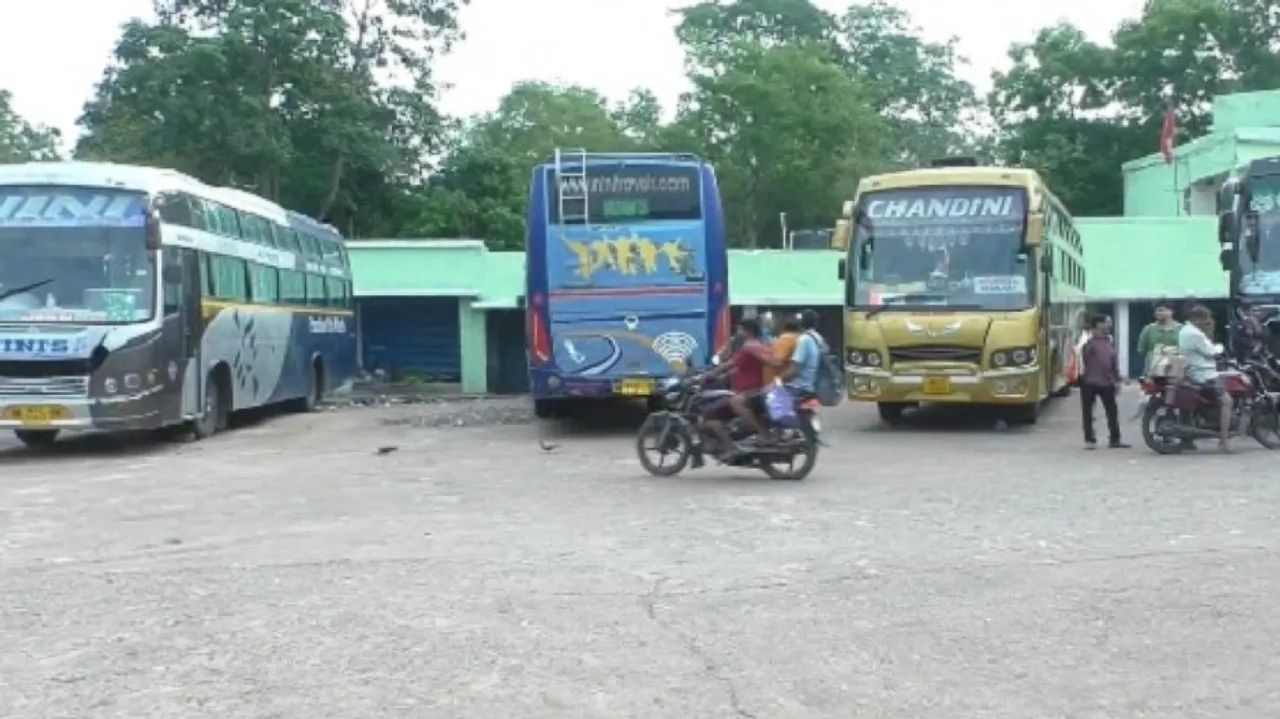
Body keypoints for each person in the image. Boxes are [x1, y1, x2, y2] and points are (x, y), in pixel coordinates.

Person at [703, 317, 774, 455]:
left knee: (727, 406)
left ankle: (756, 435)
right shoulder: (755, 344)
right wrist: (721, 376)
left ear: (748, 331)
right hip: (749, 389)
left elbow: (731, 363)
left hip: (749, 391)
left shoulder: (750, 345)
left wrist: (711, 374)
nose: (739, 332)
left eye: (741, 329)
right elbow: (740, 367)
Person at [1179, 304, 1232, 452]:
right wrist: (1220, 348)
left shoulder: (1187, 330)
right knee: (1227, 401)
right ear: (1197, 319)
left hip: (1197, 371)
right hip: (1203, 374)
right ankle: (1223, 440)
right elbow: (1210, 352)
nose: (1207, 322)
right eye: (1206, 319)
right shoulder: (1194, 334)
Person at [1079, 314, 1128, 450]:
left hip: (1107, 382)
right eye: (1107, 322)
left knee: (1112, 412)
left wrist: (1117, 380)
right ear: (1098, 325)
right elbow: (1084, 360)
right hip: (1089, 382)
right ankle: (1089, 440)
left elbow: (1113, 363)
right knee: (1088, 413)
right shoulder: (1088, 344)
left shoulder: (1109, 341)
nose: (1110, 324)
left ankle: (1115, 439)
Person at [1136, 301, 1181, 376]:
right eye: (1156, 311)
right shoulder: (1148, 329)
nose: (1158, 313)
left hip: (1174, 372)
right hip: (1153, 373)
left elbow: (1185, 350)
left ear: (1171, 311)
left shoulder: (1181, 329)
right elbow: (1141, 350)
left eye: (1161, 310)